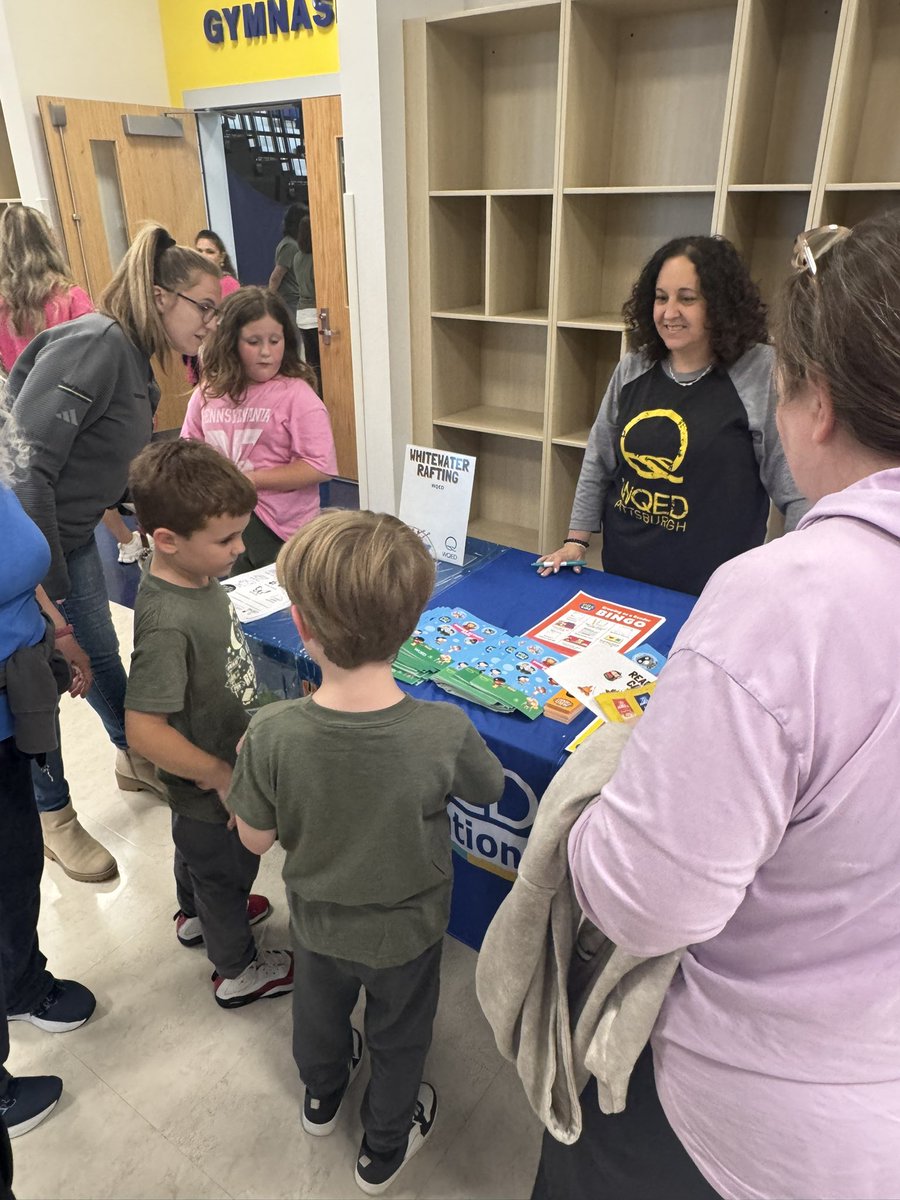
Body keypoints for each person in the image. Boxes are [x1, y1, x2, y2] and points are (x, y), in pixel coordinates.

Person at [532, 216, 900, 1199]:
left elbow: (644, 901)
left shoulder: (784, 604)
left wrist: (586, 804)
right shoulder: (631, 380)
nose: (669, 312)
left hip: (738, 1109)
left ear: (813, 400)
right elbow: (601, 466)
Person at [228, 509, 505, 1194]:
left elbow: (253, 839)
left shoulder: (272, 732)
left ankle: (321, 1094)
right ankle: (384, 1145)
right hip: (409, 930)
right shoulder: (442, 729)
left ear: (301, 625)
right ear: (412, 628)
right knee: (401, 1034)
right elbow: (492, 788)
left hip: (320, 923)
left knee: (318, 1015)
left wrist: (249, 774)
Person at [7, 224, 221, 883]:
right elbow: (25, 466)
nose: (210, 323)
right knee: (40, 686)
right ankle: (55, 817)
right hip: (28, 552)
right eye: (204, 307)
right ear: (162, 297)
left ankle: (135, 756)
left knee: (99, 658)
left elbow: (109, 466)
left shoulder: (136, 361)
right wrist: (47, 597)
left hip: (65, 541)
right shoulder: (98, 344)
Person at [124, 439, 294, 1009]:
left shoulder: (193, 578)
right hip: (214, 787)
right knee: (224, 872)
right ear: (167, 540)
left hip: (209, 771)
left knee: (195, 858)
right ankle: (236, 968)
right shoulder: (168, 621)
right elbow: (145, 731)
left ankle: (194, 916)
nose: (240, 548)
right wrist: (221, 776)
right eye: (226, 539)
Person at [538, 235, 806, 595]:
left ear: (721, 304)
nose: (669, 312)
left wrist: (791, 580)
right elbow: (599, 459)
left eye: (687, 298)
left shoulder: (761, 372)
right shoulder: (635, 365)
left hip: (713, 590)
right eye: (661, 298)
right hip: (622, 571)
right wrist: (577, 541)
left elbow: (796, 491)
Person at [0, 392, 96, 1144]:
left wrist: (57, 628)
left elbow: (18, 564)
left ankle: (20, 980)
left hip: (14, 695)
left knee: (15, 857)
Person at [180, 286, 336, 575]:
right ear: (230, 343)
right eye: (253, 341)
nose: (266, 352)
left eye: (274, 341)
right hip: (219, 522)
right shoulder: (206, 394)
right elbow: (189, 454)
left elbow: (319, 466)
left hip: (281, 531)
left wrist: (250, 480)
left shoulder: (297, 396)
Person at [268, 202, 305, 324]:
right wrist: (269, 301)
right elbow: (276, 276)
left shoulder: (292, 244)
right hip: (290, 301)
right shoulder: (290, 246)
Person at [292, 215, 319, 379]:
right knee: (324, 364)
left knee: (311, 363)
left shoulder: (297, 257)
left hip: (301, 314)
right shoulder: (317, 259)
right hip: (317, 313)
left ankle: (315, 395)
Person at [194, 229, 240, 298]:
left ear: (222, 257)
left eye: (210, 252)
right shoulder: (190, 282)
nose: (203, 256)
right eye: (199, 251)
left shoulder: (229, 284)